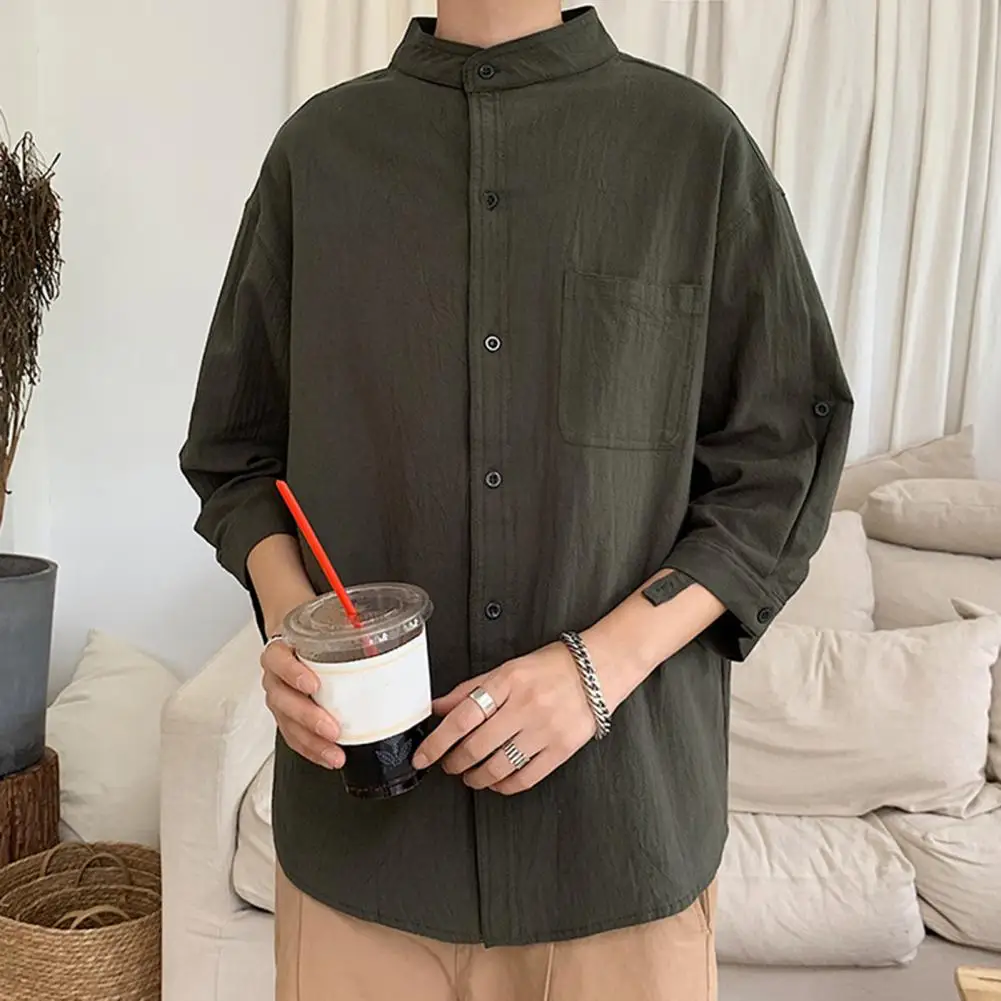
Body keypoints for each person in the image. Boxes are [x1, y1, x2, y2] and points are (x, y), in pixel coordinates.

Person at [180, 2, 852, 999]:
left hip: (617, 853)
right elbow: (236, 455)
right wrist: (293, 624)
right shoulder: (317, 155)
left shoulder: (693, 148)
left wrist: (597, 667)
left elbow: (779, 461)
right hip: (362, 863)